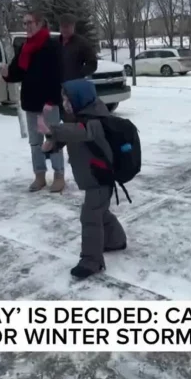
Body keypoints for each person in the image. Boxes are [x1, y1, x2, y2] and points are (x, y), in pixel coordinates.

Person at [37, 79, 126, 279]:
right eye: (63, 99)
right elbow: (73, 135)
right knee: (100, 213)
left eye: (67, 98)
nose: (65, 103)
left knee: (90, 216)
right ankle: (116, 240)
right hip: (93, 177)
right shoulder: (79, 116)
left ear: (80, 98)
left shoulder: (97, 118)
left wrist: (53, 130)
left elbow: (82, 132)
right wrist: (54, 143)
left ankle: (91, 261)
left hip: (100, 177)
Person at [1, 10, 65, 193]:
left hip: (48, 103)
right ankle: (39, 176)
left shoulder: (51, 46)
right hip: (31, 102)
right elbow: (17, 72)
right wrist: (7, 74)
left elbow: (57, 75)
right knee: (35, 142)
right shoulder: (24, 47)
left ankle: (59, 175)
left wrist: (52, 100)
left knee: (53, 139)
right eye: (25, 23)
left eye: (30, 22)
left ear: (40, 24)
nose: (27, 26)